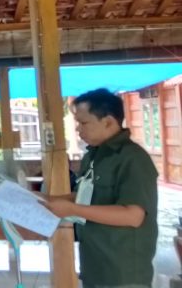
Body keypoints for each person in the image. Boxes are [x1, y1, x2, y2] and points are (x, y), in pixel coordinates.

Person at [45, 88, 158, 288]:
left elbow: (133, 216)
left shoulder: (133, 159)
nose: (78, 129)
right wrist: (47, 200)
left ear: (108, 122)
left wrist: (72, 209)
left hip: (122, 273)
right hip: (95, 266)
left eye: (83, 123)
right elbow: (86, 197)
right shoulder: (93, 156)